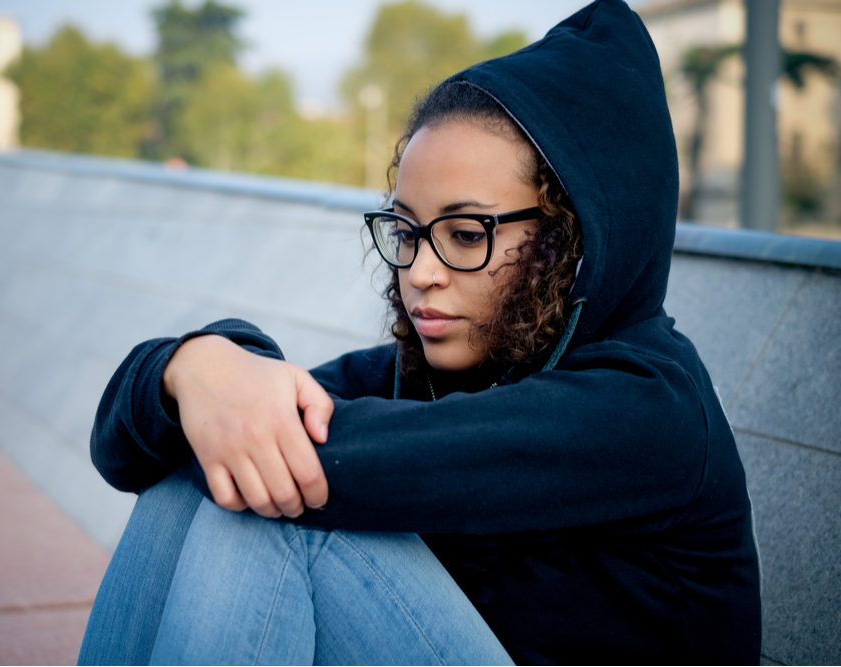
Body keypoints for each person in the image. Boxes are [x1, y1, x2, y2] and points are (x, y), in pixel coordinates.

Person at [79, 0, 761, 664]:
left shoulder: (646, 409)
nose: (421, 272)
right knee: (194, 475)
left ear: (570, 241)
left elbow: (307, 463)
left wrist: (212, 386)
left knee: (274, 495)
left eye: (466, 234)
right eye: (406, 231)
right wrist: (194, 367)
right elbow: (130, 452)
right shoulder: (423, 376)